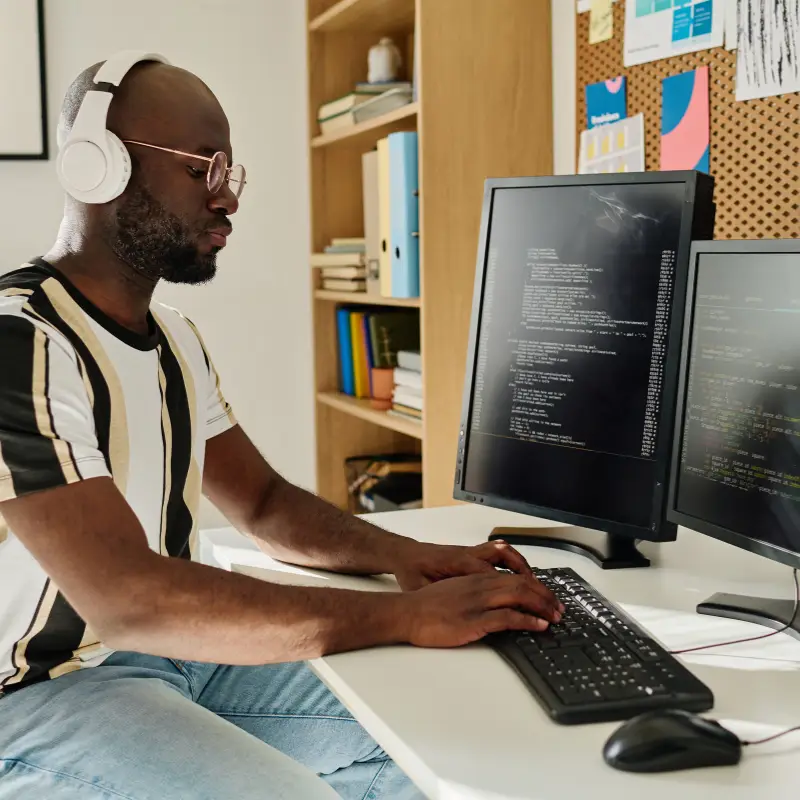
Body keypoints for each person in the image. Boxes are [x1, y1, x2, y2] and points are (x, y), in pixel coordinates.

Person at [0, 53, 562, 800]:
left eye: (231, 172)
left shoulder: (176, 340)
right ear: (97, 166)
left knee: (432, 740)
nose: (227, 198)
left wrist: (410, 557)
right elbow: (129, 600)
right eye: (203, 168)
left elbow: (263, 504)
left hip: (168, 659)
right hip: (37, 693)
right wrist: (403, 615)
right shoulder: (19, 343)